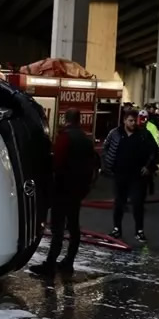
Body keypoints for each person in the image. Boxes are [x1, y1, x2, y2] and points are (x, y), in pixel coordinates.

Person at [31, 109, 98, 276]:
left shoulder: (65, 137)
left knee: (58, 228)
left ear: (65, 120)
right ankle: (69, 261)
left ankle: (50, 264)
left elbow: (57, 163)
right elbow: (94, 163)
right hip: (78, 189)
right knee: (74, 227)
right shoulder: (86, 139)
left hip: (62, 188)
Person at [105, 109, 156, 243]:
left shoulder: (143, 135)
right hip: (120, 174)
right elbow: (106, 147)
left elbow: (154, 151)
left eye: (135, 121)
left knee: (138, 203)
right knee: (118, 203)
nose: (133, 123)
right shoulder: (115, 134)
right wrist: (109, 164)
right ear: (124, 121)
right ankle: (116, 229)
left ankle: (139, 231)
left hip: (137, 176)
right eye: (130, 121)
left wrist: (148, 167)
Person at [139, 109, 159, 196]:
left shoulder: (151, 127)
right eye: (141, 117)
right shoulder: (136, 127)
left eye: (144, 118)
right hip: (141, 153)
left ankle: (150, 188)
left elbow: (156, 141)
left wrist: (155, 154)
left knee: (148, 173)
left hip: (149, 153)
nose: (142, 119)